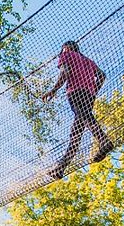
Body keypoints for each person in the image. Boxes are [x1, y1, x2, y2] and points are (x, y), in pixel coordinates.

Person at [42, 40, 112, 178]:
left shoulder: (66, 55)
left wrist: (53, 90)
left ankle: (104, 140)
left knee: (84, 118)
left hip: (75, 92)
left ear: (66, 48)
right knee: (76, 132)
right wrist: (93, 91)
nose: (60, 53)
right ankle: (60, 168)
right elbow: (102, 75)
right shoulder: (88, 61)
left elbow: (65, 73)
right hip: (89, 94)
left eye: (62, 49)